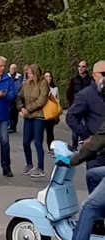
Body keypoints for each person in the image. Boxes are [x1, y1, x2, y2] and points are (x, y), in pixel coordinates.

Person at [59, 61, 105, 240]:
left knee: (89, 206)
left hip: (95, 150)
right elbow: (72, 117)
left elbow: (97, 141)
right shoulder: (86, 94)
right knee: (92, 175)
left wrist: (71, 160)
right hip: (98, 156)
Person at [17, 64, 49, 178]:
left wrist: (28, 109)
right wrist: (21, 108)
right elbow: (19, 97)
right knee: (25, 142)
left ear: (35, 73)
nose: (28, 75)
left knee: (37, 142)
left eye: (30, 73)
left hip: (39, 116)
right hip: (28, 117)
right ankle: (29, 164)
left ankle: (40, 167)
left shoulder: (43, 83)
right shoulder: (25, 84)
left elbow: (42, 100)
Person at [66, 60, 92, 151]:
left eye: (83, 66)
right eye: (79, 66)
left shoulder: (90, 79)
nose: (81, 68)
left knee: (86, 125)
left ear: (86, 67)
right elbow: (69, 92)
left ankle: (86, 144)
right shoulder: (74, 79)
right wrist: (72, 104)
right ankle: (74, 145)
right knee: (75, 125)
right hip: (76, 105)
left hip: (88, 106)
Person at [44, 71, 60, 155]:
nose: (48, 78)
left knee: (50, 132)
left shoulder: (55, 89)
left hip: (51, 113)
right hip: (43, 113)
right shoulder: (41, 88)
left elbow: (58, 101)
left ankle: (51, 148)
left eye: (49, 76)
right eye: (46, 76)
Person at [8, 64, 23, 133]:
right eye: (11, 68)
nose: (12, 70)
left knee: (15, 113)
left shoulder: (20, 77)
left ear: (16, 69)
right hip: (8, 97)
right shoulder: (6, 76)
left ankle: (13, 126)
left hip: (17, 97)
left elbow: (21, 86)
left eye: (13, 68)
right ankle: (9, 125)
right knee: (9, 112)